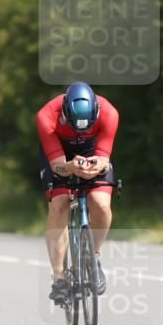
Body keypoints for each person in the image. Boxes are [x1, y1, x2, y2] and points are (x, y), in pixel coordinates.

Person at [36, 81, 119, 304]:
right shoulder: (46, 115)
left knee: (100, 204)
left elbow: (103, 158)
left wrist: (97, 166)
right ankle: (59, 278)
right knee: (60, 203)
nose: (79, 130)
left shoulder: (109, 113)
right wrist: (70, 167)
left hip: (92, 151)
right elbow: (57, 165)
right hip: (59, 153)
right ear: (64, 112)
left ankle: (94, 257)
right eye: (75, 125)